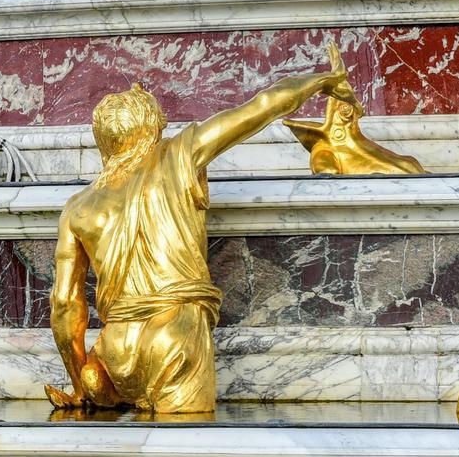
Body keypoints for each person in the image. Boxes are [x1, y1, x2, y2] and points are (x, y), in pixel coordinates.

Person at [50, 67, 352, 417]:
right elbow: (263, 106)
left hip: (114, 347)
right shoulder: (179, 155)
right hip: (174, 335)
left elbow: (64, 306)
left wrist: (76, 379)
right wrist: (323, 80)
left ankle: (96, 383)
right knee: (188, 448)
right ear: (151, 129)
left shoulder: (78, 207)